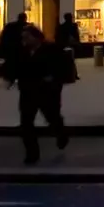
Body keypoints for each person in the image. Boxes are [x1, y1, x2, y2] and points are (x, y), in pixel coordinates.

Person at [10, 24, 75, 165]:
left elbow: (64, 67)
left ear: (36, 37)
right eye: (23, 38)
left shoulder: (52, 50)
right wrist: (11, 78)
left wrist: (54, 79)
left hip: (47, 92)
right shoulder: (22, 52)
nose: (24, 40)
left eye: (27, 37)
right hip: (27, 92)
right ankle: (32, 154)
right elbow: (15, 67)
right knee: (26, 124)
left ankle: (61, 134)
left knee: (52, 117)